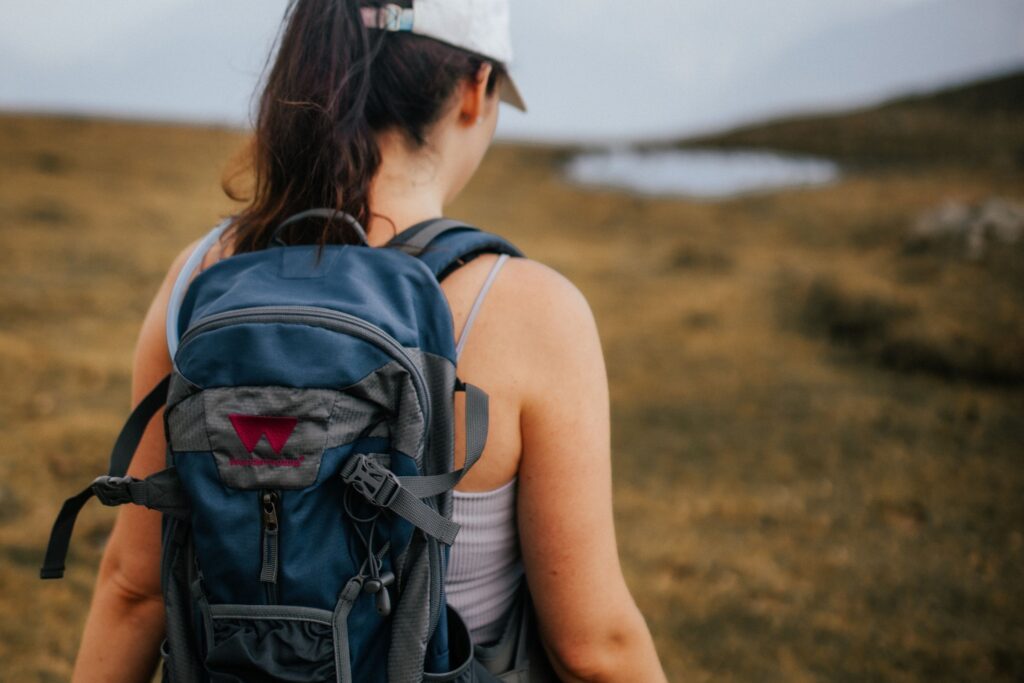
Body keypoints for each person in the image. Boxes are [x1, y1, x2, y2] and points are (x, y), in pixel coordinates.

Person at [71, 1, 667, 680]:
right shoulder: (530, 310)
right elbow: (595, 648)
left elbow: (132, 587)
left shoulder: (200, 278)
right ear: (475, 89)